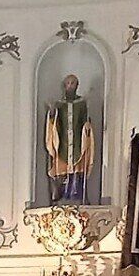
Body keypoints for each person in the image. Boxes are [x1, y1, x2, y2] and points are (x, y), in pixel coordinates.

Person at [44, 74, 97, 204]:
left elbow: (85, 120)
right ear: (64, 85)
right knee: (59, 167)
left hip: (78, 143)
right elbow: (55, 121)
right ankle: (58, 195)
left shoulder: (82, 103)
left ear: (77, 85)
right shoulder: (59, 104)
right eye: (68, 83)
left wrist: (87, 125)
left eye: (73, 83)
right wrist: (51, 112)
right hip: (62, 143)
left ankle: (80, 195)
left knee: (79, 169)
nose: (70, 85)